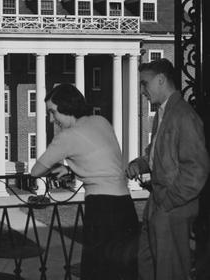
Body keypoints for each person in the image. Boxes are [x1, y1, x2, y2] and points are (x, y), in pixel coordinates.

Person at [31, 83, 138, 280]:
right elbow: (99, 158)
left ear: (66, 106)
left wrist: (62, 165)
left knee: (98, 269)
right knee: (125, 267)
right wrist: (71, 167)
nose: (51, 119)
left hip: (101, 207)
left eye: (53, 112)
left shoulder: (66, 137)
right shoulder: (101, 121)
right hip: (124, 204)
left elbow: (36, 171)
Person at [126, 58, 209, 280]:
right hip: (158, 201)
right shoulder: (163, 114)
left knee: (170, 271)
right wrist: (140, 163)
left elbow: (197, 170)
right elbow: (157, 154)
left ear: (161, 80)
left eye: (145, 83)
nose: (142, 90)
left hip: (172, 206)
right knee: (148, 263)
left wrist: (168, 202)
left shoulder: (184, 116)